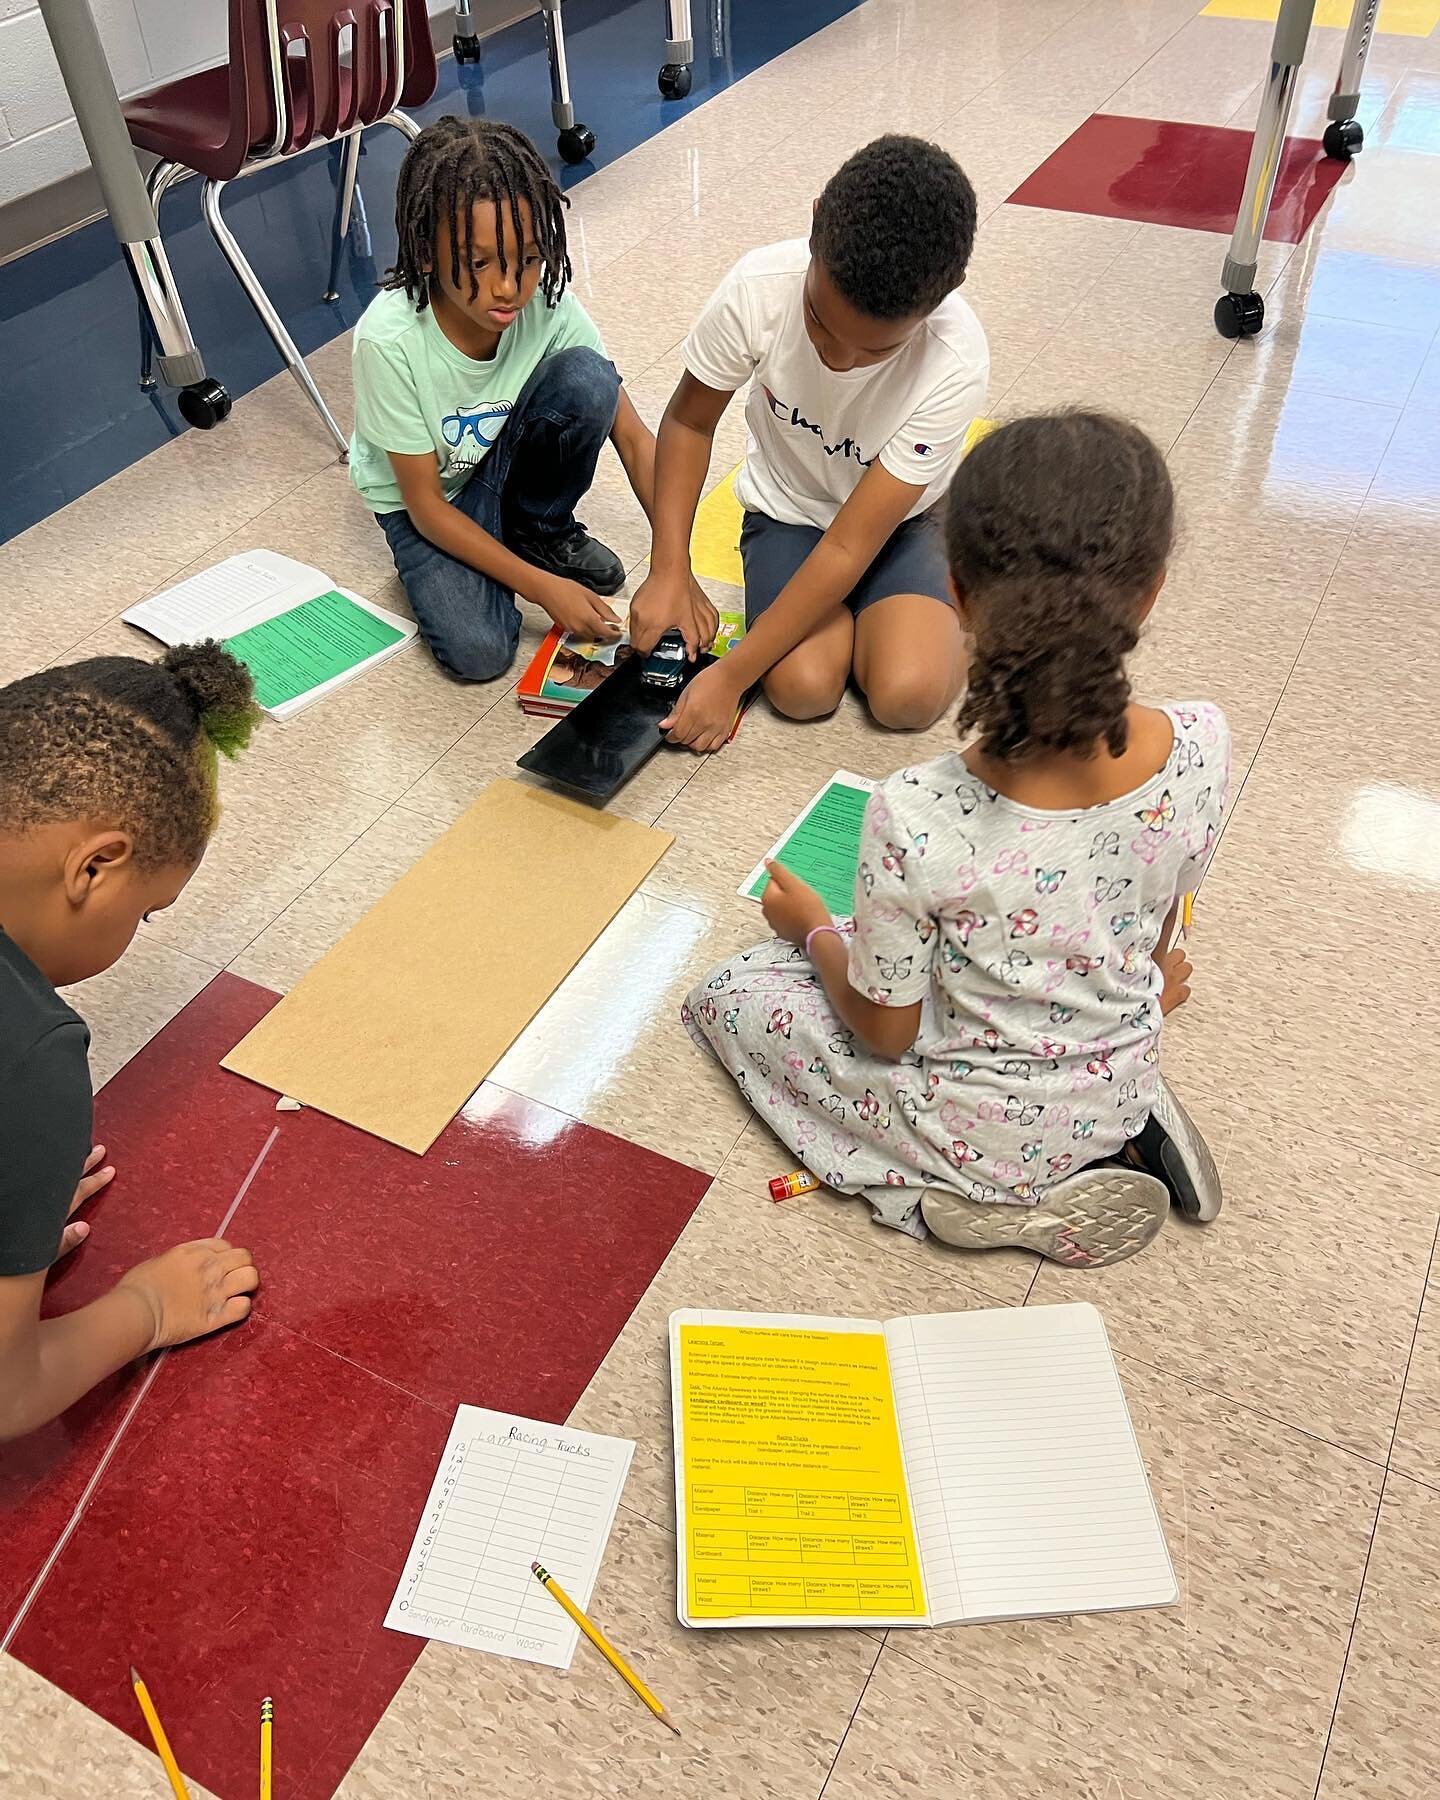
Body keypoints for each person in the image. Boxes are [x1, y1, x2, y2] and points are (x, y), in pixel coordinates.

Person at [683, 413, 1230, 1267]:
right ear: (1153, 588)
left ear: (958, 596)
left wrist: (817, 933)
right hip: (1116, 1070)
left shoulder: (919, 811)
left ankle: (953, 1194)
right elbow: (1163, 913)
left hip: (967, 1123)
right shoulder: (1201, 740)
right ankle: (1128, 1121)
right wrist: (1151, 987)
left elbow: (886, 1035)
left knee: (733, 990)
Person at [629, 134, 987, 751]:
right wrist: (669, 568)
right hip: (792, 512)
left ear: (944, 295)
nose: (838, 358)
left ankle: (964, 601)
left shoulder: (955, 359)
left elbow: (852, 544)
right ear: (815, 221)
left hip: (904, 527)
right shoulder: (757, 288)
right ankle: (881, 623)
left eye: (876, 350)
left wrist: (730, 677)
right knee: (802, 689)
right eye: (820, 320)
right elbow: (689, 423)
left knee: (908, 695)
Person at [0, 644, 263, 1441]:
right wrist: (145, 1309)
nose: (136, 932)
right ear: (97, 867)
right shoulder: (31, 1057)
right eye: (147, 913)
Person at [351, 115, 697, 682]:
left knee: (590, 379)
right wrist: (543, 589)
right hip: (429, 505)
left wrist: (674, 567)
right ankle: (509, 551)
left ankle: (537, 528)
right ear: (427, 251)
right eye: (480, 262)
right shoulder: (387, 342)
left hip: (499, 467)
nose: (509, 287)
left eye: (528, 260)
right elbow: (426, 507)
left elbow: (634, 439)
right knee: (480, 654)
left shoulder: (547, 303)